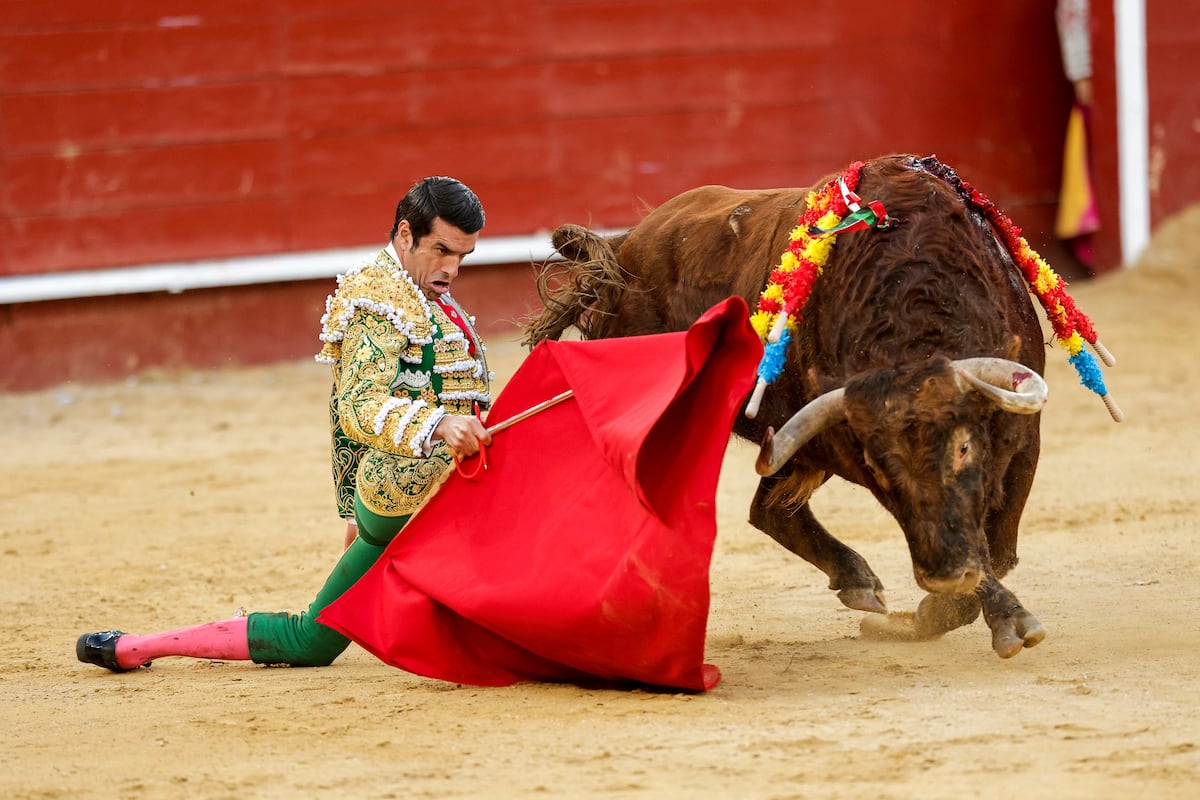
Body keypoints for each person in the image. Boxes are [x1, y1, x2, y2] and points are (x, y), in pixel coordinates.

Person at [76, 176, 495, 671]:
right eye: (442, 250)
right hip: (404, 496)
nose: (452, 268)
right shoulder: (380, 301)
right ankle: (141, 646)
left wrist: (355, 514)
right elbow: (357, 405)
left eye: (462, 256)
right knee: (310, 640)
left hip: (420, 488)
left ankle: (130, 648)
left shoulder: (419, 290)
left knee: (316, 640)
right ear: (406, 235)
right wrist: (440, 425)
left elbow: (407, 397)